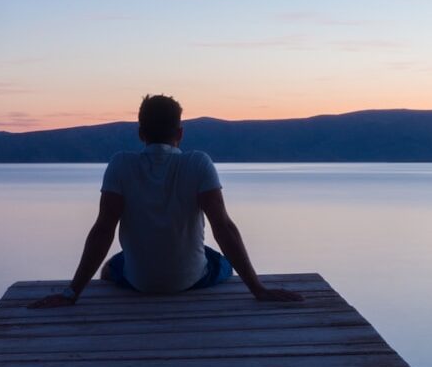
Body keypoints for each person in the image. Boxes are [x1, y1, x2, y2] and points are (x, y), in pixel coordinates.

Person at [29, 94, 303, 308]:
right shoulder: (198, 163)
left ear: (141, 133)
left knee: (111, 267)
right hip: (190, 281)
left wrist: (71, 292)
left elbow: (103, 229)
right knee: (219, 261)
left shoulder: (120, 165)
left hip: (140, 283)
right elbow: (223, 227)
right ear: (180, 133)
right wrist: (258, 289)